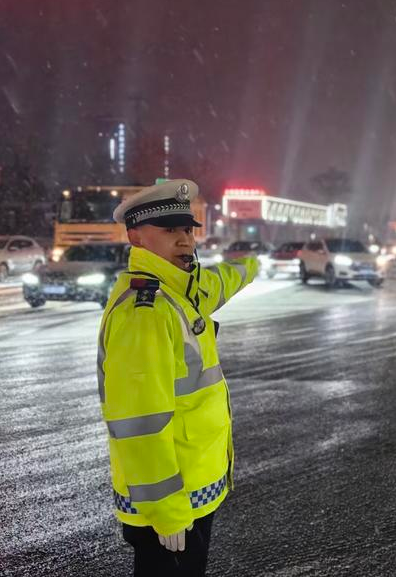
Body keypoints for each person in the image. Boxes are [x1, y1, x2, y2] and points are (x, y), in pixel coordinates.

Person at [96, 178, 258, 576]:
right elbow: (139, 424)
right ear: (136, 237)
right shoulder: (146, 313)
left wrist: (251, 266)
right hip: (170, 505)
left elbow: (219, 282)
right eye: (169, 230)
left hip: (193, 492)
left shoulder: (182, 289)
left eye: (187, 229)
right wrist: (166, 513)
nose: (184, 239)